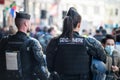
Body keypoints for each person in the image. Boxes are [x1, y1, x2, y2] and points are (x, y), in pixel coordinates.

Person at [46, 7, 107, 80]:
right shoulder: (88, 42)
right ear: (79, 25)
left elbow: (49, 66)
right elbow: (103, 57)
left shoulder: (54, 41)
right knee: (99, 64)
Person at [0, 12, 49, 80]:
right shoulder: (33, 43)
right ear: (26, 23)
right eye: (30, 23)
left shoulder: (4, 41)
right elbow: (40, 68)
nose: (30, 25)